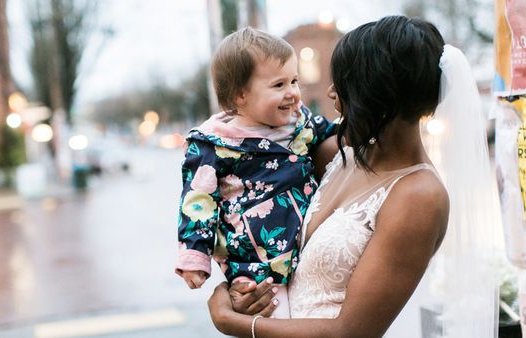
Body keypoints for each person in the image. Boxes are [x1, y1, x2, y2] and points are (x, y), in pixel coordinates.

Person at [207, 15, 498, 337]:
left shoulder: (419, 196)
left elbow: (352, 331)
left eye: (344, 82)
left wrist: (230, 320)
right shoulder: (331, 153)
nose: (332, 92)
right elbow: (247, 211)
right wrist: (237, 290)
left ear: (377, 94)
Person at [174, 27, 337, 319]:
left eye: (294, 81)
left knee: (316, 313)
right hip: (255, 263)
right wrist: (195, 257)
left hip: (308, 247)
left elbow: (332, 132)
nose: (292, 93)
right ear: (240, 96)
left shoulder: (300, 123)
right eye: (278, 85)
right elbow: (198, 202)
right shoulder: (214, 144)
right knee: (278, 322)